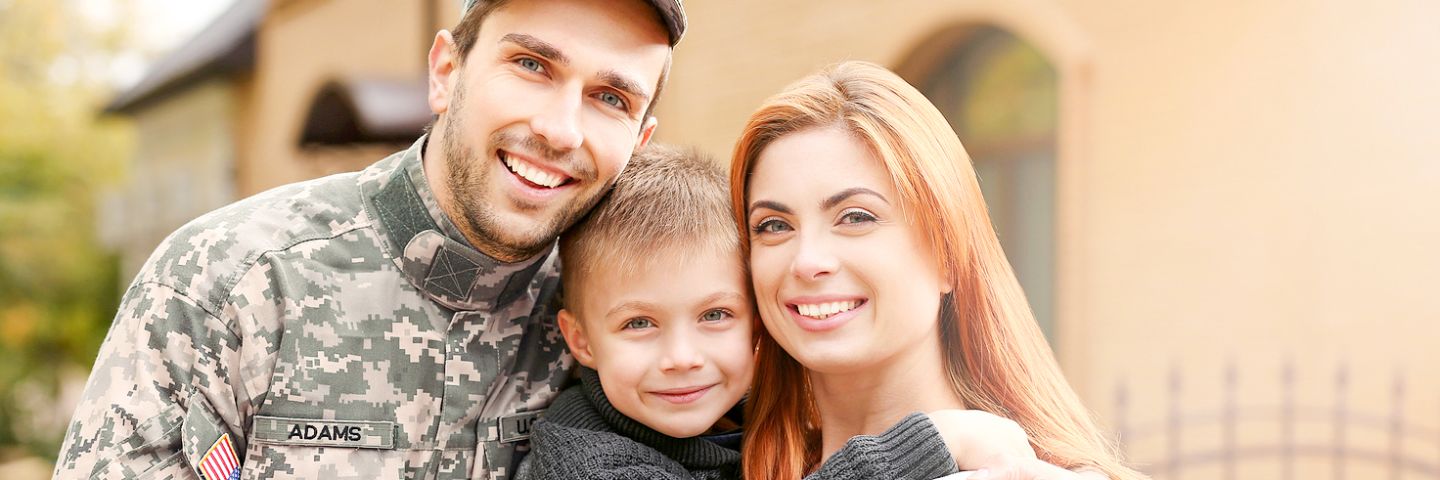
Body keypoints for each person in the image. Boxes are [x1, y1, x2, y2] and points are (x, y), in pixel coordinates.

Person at [53, 0, 683, 478]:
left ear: (640, 140)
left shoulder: (633, 320)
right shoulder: (226, 281)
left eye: (611, 98)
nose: (561, 129)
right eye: (531, 64)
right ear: (445, 71)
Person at [731, 61, 1146, 480]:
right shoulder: (704, 462)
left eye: (855, 217)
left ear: (948, 250)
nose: (808, 261)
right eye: (774, 226)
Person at [517, 144, 960, 480]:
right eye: (639, 323)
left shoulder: (758, 419)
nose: (683, 357)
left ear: (755, 323)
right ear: (581, 341)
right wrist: (929, 445)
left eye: (714, 316)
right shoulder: (581, 461)